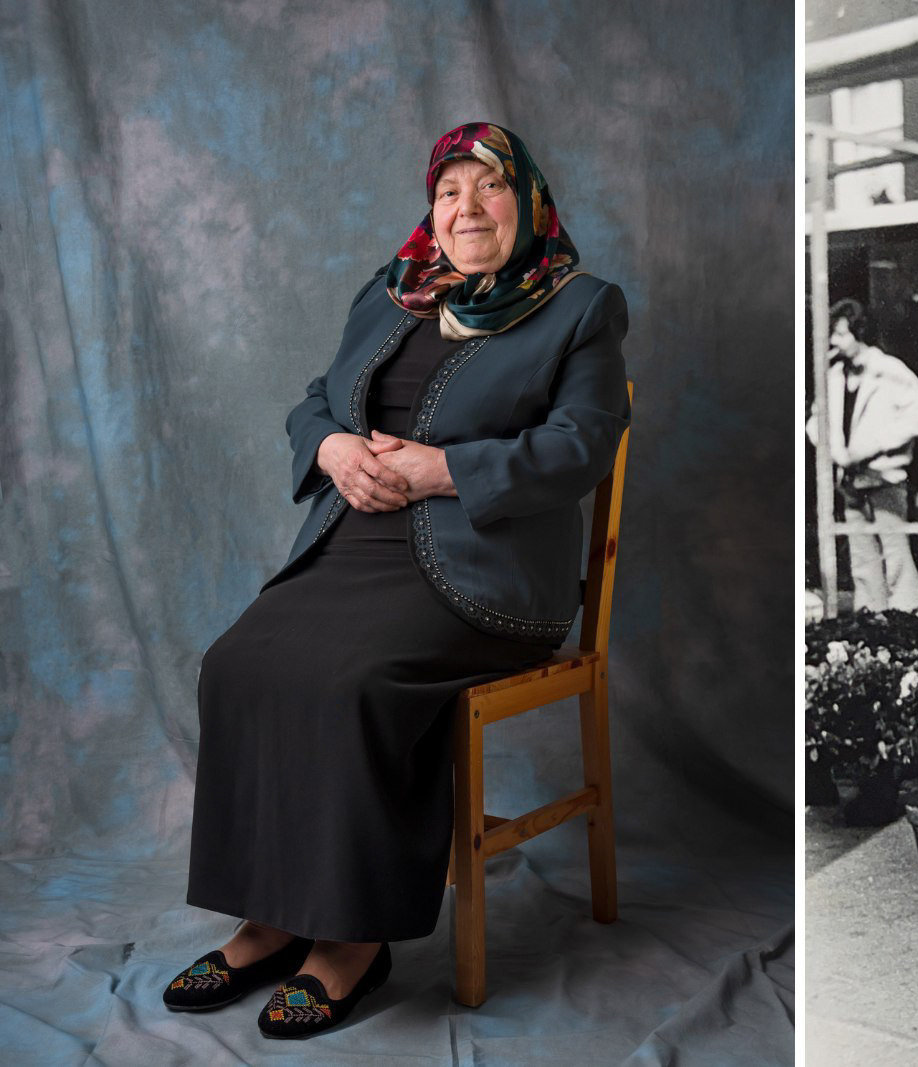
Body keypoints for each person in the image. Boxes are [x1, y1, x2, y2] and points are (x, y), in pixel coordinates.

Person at [163, 122, 630, 1037]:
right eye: (448, 191)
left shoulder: (583, 307)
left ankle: (350, 941)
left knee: (352, 682)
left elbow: (584, 444)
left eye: (488, 187)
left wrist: (438, 471)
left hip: (480, 571)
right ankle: (272, 916)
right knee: (238, 663)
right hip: (350, 548)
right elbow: (314, 400)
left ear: (528, 202)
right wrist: (335, 447)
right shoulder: (392, 294)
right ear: (431, 210)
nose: (466, 208)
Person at [807, 299, 918, 613]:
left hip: (884, 478)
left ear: (859, 333)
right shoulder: (833, 375)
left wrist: (877, 444)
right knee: (862, 558)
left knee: (896, 553)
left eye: (840, 335)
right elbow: (815, 420)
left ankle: (908, 621)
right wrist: (835, 450)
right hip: (850, 481)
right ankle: (871, 623)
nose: (833, 342)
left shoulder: (890, 370)